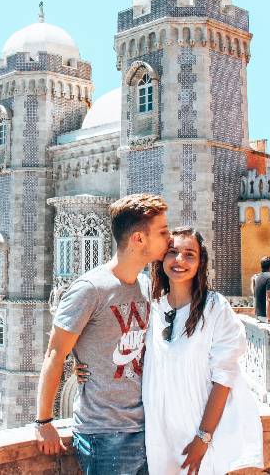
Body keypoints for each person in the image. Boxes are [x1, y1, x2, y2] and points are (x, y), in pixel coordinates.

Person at [35, 193, 171, 474]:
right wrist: (44, 421)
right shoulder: (90, 289)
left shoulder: (146, 286)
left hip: (147, 431)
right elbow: (54, 354)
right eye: (162, 231)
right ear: (138, 239)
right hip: (104, 436)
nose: (168, 238)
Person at [137, 227, 263, 474]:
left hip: (199, 437)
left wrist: (202, 438)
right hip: (160, 440)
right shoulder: (152, 308)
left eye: (189, 254)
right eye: (172, 252)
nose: (179, 260)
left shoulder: (215, 307)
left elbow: (224, 378)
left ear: (200, 262)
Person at [252, 256, 270, 323]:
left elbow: (255, 296)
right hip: (269, 317)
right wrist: (269, 319)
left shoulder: (258, 277)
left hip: (259, 315)